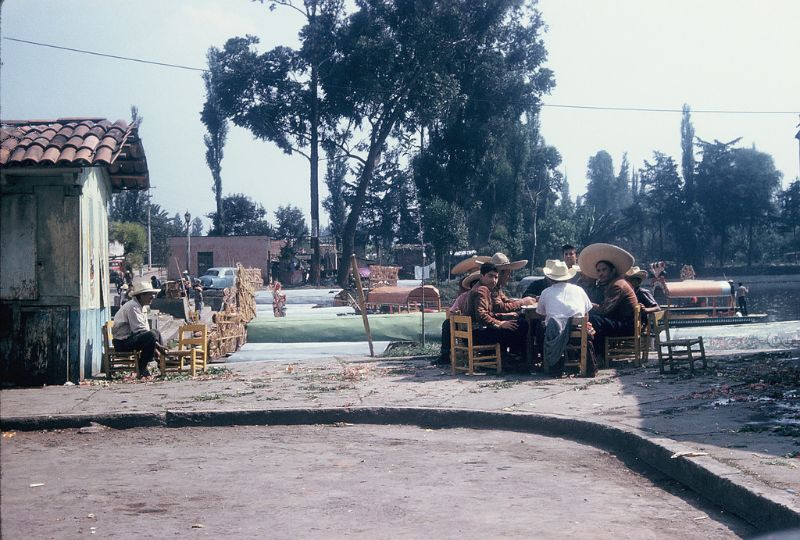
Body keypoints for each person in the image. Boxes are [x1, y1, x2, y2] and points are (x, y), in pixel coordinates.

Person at [578, 243, 638, 364]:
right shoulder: (612, 283)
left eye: (604, 270)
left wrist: (588, 305)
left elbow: (604, 310)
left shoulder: (617, 286)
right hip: (621, 321)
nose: (600, 273)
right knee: (594, 319)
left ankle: (598, 356)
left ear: (613, 270)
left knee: (593, 320)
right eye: (598, 270)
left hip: (626, 325)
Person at [535, 259, 596, 376]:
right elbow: (586, 315)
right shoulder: (579, 290)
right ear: (568, 277)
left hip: (554, 334)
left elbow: (540, 314)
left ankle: (547, 361)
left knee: (540, 328)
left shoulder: (546, 292)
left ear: (551, 278)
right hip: (578, 333)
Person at [465, 262, 528, 359]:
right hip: (478, 335)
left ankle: (512, 356)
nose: (494, 280)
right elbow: (481, 316)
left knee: (518, 320)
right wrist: (501, 324)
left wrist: (504, 318)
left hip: (477, 332)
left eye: (496, 277)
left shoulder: (485, 288)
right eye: (490, 276)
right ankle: (516, 358)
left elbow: (489, 313)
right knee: (521, 324)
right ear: (482, 276)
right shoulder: (482, 290)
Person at [112, 280, 168, 378]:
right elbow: (139, 330)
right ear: (141, 296)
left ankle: (161, 363)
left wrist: (157, 346)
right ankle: (142, 367)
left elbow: (145, 330)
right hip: (123, 342)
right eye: (150, 294)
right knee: (151, 335)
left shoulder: (142, 307)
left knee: (155, 333)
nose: (153, 297)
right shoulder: (132, 307)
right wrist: (158, 346)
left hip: (133, 338)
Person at [436, 272, 481, 365]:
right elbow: (452, 312)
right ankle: (445, 355)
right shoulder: (463, 297)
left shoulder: (489, 295)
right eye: (474, 285)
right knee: (447, 323)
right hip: (466, 329)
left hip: (482, 328)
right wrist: (458, 315)